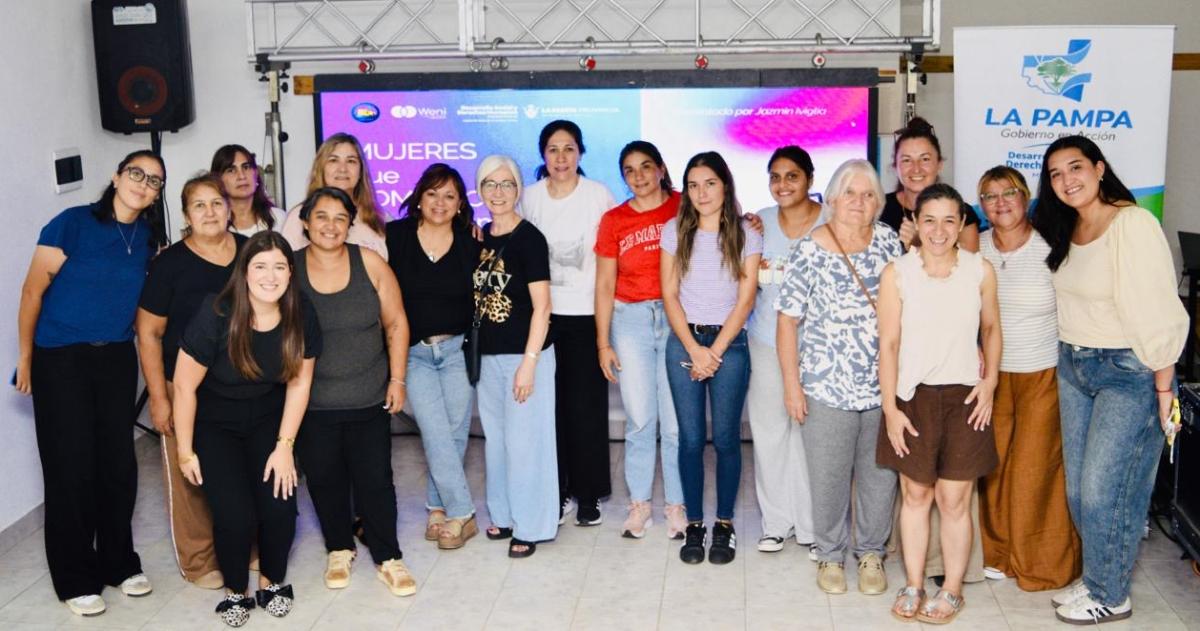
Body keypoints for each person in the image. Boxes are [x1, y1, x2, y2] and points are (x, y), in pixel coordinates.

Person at [1032, 136, 1188, 625]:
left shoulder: (1132, 224)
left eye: (1075, 167)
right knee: (1080, 490)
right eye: (1055, 174)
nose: (1066, 180)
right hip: (1074, 364)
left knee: (1107, 489)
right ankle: (1099, 575)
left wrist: (1162, 388)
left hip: (1128, 372)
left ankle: (1111, 594)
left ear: (1099, 169)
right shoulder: (1068, 226)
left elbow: (1160, 308)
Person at [15, 150, 167, 617]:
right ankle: (75, 578)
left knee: (118, 466)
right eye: (136, 173)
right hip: (60, 358)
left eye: (154, 181)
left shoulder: (149, 238)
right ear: (117, 177)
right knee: (71, 468)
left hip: (116, 357)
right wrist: (25, 358)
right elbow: (32, 291)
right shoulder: (73, 224)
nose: (143, 184)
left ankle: (119, 564)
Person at [172, 232, 321, 627]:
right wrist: (185, 450)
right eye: (260, 266)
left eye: (279, 267)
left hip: (269, 419)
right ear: (244, 272)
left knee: (280, 506)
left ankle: (271, 583)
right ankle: (235, 591)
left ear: (291, 273)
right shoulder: (217, 312)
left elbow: (300, 383)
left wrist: (284, 446)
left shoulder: (301, 312)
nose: (270, 276)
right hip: (216, 424)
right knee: (235, 516)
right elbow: (184, 386)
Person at [776, 159, 903, 595]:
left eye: (868, 195)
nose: (859, 202)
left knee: (880, 477)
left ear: (878, 203)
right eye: (850, 192)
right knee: (828, 479)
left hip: (883, 388)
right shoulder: (809, 249)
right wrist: (792, 387)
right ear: (831, 198)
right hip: (826, 388)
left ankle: (871, 554)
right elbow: (787, 321)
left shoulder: (888, 242)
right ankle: (829, 556)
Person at [876, 183, 1001, 624]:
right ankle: (913, 584)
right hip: (913, 397)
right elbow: (888, 344)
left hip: (966, 397)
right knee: (916, 495)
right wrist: (890, 409)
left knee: (954, 500)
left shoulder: (979, 270)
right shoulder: (897, 273)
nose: (939, 230)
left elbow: (991, 329)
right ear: (916, 221)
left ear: (963, 223)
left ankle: (951, 589)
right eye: (929, 220)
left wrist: (990, 383)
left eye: (950, 220)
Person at [292, 187, 417, 596]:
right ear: (305, 222)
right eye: (321, 216)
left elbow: (396, 323)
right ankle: (338, 548)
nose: (330, 225)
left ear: (350, 224)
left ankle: (388, 557)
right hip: (312, 404)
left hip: (369, 397)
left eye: (339, 218)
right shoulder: (288, 268)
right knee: (324, 479)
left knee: (375, 481)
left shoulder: (370, 263)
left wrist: (397, 379)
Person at [136, 174, 245, 590]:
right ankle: (199, 561)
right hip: (184, 388)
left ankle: (248, 544)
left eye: (216, 203)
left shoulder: (250, 253)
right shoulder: (169, 264)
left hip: (243, 386)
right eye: (199, 205)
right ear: (186, 215)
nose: (210, 212)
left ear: (229, 208)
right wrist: (158, 397)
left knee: (243, 469)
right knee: (191, 475)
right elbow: (148, 332)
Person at [975, 166, 1082, 591]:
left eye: (1009, 193)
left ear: (1025, 197)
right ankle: (997, 556)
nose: (1000, 203)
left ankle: (1041, 563)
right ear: (981, 205)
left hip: (1042, 374)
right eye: (989, 196)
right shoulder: (974, 245)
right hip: (989, 378)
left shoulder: (1052, 246)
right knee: (993, 467)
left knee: (1035, 470)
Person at [661, 151, 762, 565]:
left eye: (710, 183)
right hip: (685, 343)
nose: (701, 193)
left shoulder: (746, 233)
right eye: (693, 185)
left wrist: (714, 352)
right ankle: (695, 524)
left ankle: (724, 524)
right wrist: (694, 349)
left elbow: (746, 299)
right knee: (689, 440)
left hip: (729, 346)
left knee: (724, 439)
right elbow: (669, 294)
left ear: (725, 185)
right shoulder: (674, 231)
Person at [521, 120, 616, 526]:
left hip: (587, 315)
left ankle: (588, 493)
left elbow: (612, 255)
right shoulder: (528, 197)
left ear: (580, 153)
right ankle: (556, 493)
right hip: (542, 317)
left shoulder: (598, 195)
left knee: (586, 409)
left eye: (569, 149)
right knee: (549, 410)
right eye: (553, 149)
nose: (561, 157)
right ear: (543, 155)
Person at [594, 141, 687, 539]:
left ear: (661, 169)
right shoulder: (614, 220)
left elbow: (727, 220)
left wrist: (751, 220)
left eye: (646, 167)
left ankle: (677, 505)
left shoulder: (684, 205)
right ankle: (639, 504)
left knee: (676, 422)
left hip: (676, 317)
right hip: (629, 320)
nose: (639, 176)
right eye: (629, 170)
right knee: (640, 419)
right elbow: (604, 284)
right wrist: (603, 342)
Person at [386, 163, 481, 549]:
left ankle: (437, 510)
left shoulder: (471, 243)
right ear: (419, 197)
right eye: (432, 193)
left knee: (454, 434)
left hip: (457, 351)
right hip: (414, 354)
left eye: (449, 195)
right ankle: (463, 512)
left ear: (460, 204)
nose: (440, 202)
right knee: (435, 431)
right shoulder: (395, 236)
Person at [472, 155, 557, 558]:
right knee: (497, 442)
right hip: (488, 357)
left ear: (518, 189)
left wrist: (529, 362)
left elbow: (543, 307)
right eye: (490, 184)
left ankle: (532, 525)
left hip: (526, 356)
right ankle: (504, 515)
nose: (498, 192)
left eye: (507, 184)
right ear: (480, 189)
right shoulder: (477, 237)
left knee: (527, 444)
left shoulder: (530, 239)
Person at [746, 146, 821, 554]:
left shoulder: (831, 222)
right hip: (766, 341)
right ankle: (776, 522)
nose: (782, 185)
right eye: (775, 177)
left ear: (810, 178)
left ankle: (812, 527)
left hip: (819, 348)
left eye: (792, 176)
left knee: (810, 437)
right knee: (770, 432)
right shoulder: (758, 224)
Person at [281, 133, 388, 259]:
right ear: (321, 168)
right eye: (333, 160)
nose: (342, 169)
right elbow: (285, 263)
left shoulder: (380, 217)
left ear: (361, 171)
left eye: (351, 161)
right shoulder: (298, 218)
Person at [881, 117, 979, 252]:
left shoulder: (961, 212)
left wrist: (920, 242)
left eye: (925, 159)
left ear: (939, 164)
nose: (916, 169)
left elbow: (970, 263)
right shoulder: (878, 208)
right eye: (907, 160)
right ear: (895, 167)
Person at [211, 144, 286, 236]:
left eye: (246, 167)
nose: (241, 176)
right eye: (231, 170)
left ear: (256, 173)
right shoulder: (212, 222)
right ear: (218, 179)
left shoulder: (278, 218)